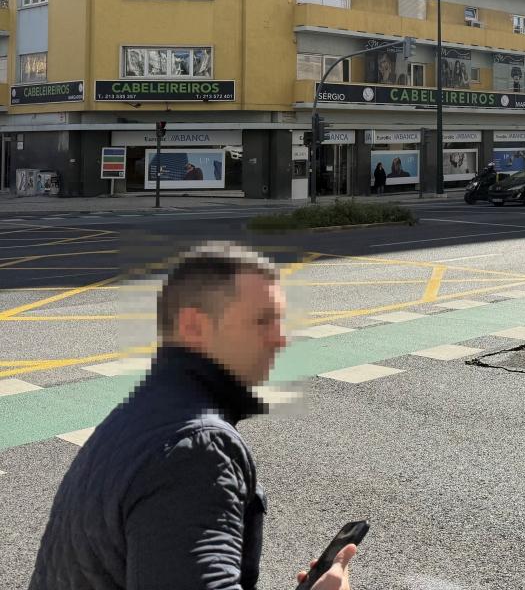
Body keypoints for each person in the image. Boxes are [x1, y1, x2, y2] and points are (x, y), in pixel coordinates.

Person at [28, 243, 359, 590]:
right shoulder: (197, 450)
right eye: (262, 320)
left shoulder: (145, 412)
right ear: (194, 326)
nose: (280, 339)